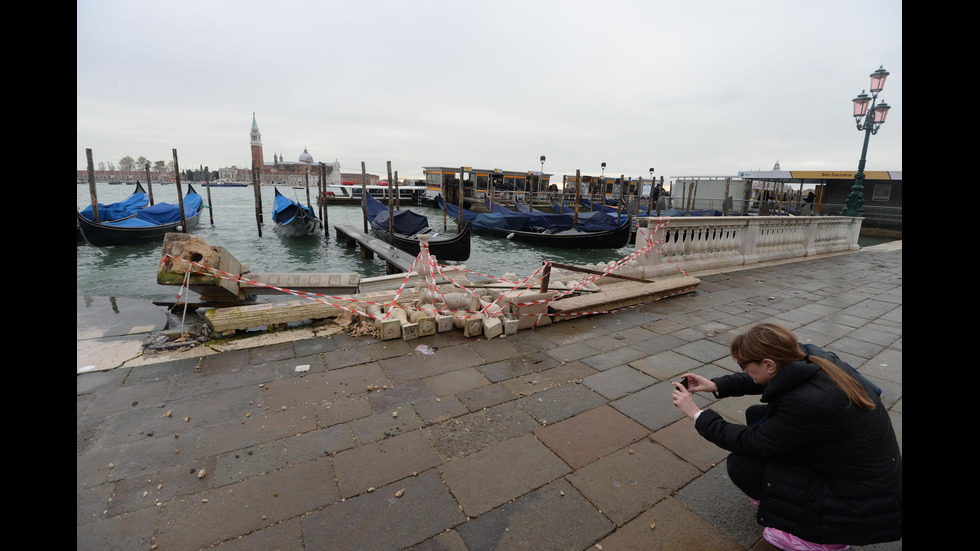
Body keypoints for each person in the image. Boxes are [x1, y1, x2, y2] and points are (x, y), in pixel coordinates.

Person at [671, 323, 901, 550]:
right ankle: (794, 506)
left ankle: (824, 540)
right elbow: (762, 379)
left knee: (742, 466)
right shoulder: (810, 357)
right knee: (757, 415)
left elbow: (752, 442)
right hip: (864, 474)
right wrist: (715, 385)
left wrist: (697, 414)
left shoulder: (809, 403)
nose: (743, 369)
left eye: (744, 364)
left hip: (859, 503)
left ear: (769, 364)